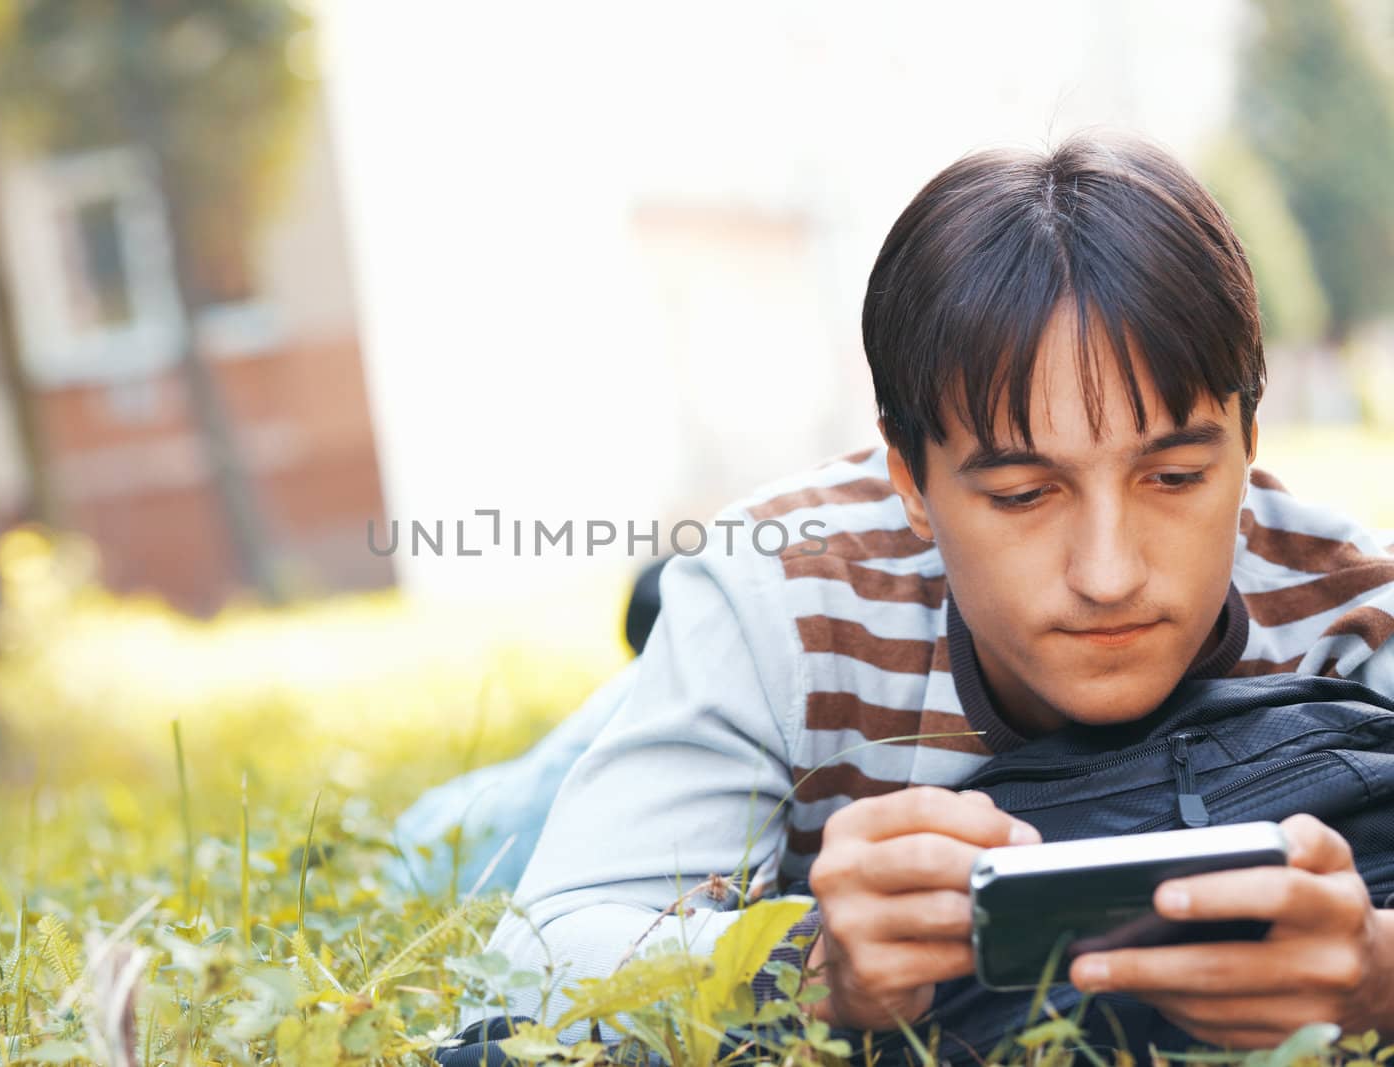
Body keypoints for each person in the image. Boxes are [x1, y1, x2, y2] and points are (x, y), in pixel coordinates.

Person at [452, 132, 1394, 1052]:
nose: (1109, 574)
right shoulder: (775, 601)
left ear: (1250, 437)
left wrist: (1379, 969)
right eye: (1025, 495)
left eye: (1176, 477)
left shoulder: (1355, 615)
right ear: (910, 479)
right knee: (471, 831)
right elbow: (533, 958)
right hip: (745, 670)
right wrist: (804, 961)